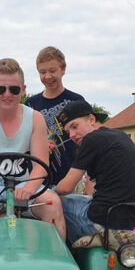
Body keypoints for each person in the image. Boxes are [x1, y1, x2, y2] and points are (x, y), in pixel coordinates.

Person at [0, 57, 66, 252]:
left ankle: (56, 262)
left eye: (14, 90)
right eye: (1, 89)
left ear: (23, 90)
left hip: (23, 183)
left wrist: (31, 187)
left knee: (54, 205)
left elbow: (41, 163)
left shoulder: (35, 118)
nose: (7, 94)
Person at [54, 101, 135, 249]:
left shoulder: (91, 139)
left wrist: (48, 193)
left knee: (52, 203)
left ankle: (65, 253)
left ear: (91, 119)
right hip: (129, 219)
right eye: (68, 132)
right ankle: (101, 238)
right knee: (79, 199)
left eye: (74, 126)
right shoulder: (119, 135)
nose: (72, 135)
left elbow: (65, 188)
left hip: (102, 219)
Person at [25, 47, 88, 185]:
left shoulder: (76, 100)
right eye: (42, 72)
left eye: (52, 71)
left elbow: (87, 139)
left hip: (70, 176)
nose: (48, 76)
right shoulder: (29, 105)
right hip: (36, 179)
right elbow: (22, 139)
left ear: (63, 69)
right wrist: (40, 145)